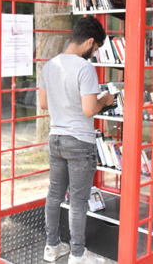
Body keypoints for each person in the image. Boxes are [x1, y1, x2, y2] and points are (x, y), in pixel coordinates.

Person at [39, 16, 115, 264]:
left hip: (56, 139)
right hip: (79, 142)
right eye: (95, 49)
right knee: (79, 200)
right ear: (90, 41)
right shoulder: (85, 68)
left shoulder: (49, 65)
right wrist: (105, 99)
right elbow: (88, 110)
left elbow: (42, 104)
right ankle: (78, 255)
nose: (94, 54)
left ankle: (52, 248)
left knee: (54, 195)